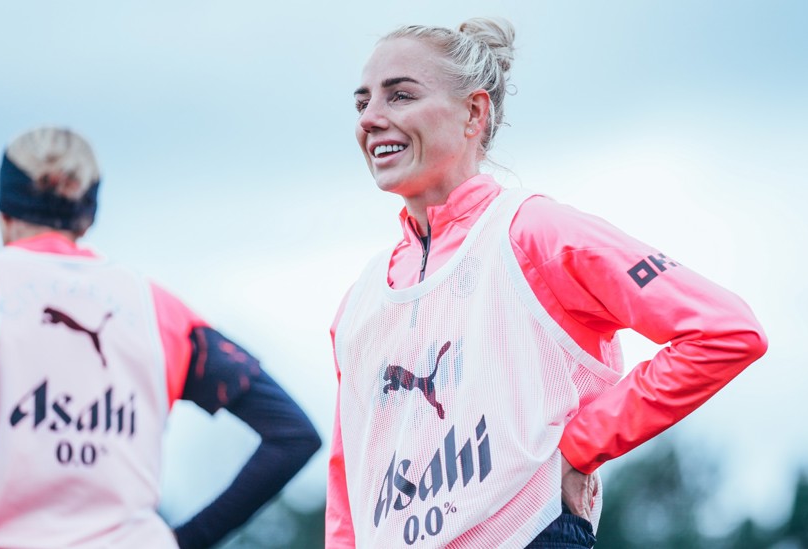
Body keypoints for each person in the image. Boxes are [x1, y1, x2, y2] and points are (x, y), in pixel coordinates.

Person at [326, 17, 768, 548]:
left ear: (474, 112)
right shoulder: (361, 301)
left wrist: (579, 445)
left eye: (400, 96)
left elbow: (725, 332)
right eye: (361, 103)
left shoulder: (533, 233)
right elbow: (349, 474)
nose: (371, 118)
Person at [0, 127, 322, 549]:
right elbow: (293, 434)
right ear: (88, 217)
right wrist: (184, 541)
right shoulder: (157, 308)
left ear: (3, 214)